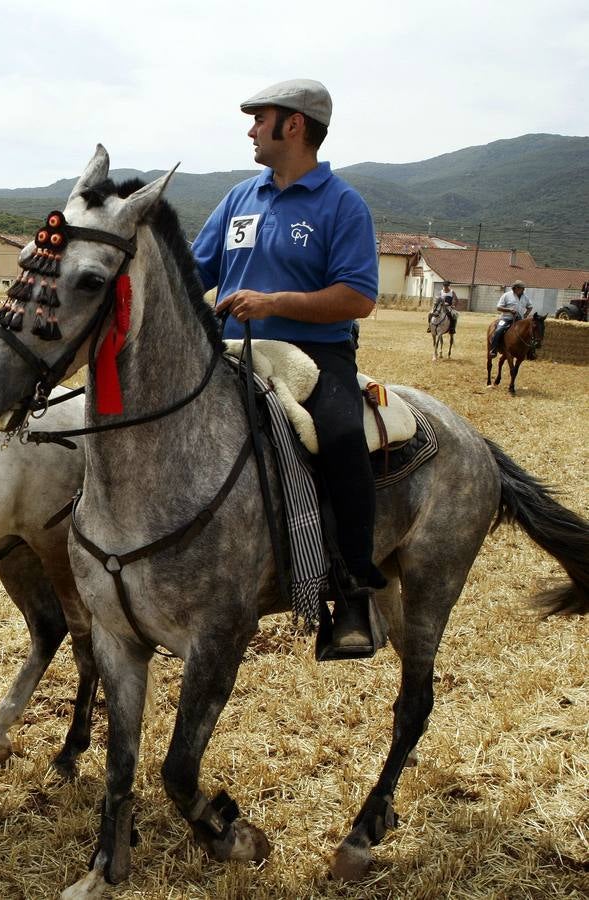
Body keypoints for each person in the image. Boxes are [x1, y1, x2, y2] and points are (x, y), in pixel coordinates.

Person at [191, 78, 385, 660]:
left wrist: (273, 303)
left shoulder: (342, 204)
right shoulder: (238, 199)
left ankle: (352, 592)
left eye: (261, 118)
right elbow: (191, 272)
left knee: (344, 435)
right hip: (234, 350)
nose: (251, 129)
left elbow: (358, 296)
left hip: (316, 354)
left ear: (294, 125)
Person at [490, 280, 531, 357]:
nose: (523, 290)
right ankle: (494, 349)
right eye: (522, 288)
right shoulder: (506, 295)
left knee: (529, 332)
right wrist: (509, 310)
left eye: (523, 288)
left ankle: (530, 353)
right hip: (506, 318)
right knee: (499, 330)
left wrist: (525, 315)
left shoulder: (525, 297)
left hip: (519, 320)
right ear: (515, 288)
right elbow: (498, 307)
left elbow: (530, 307)